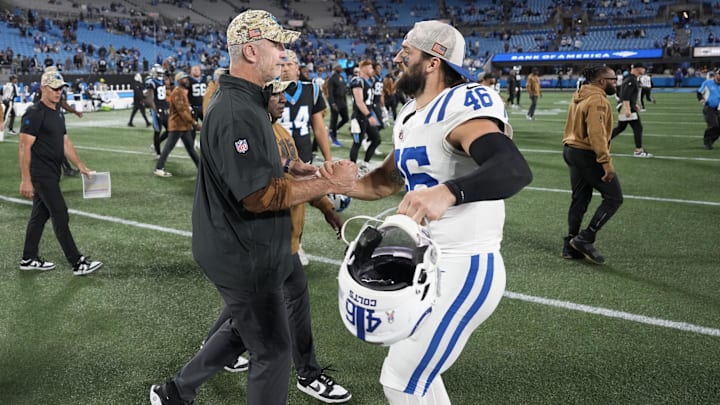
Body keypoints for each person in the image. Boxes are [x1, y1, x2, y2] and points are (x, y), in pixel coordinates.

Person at [149, 10, 358, 405]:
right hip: (243, 254)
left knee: (244, 330)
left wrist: (291, 166)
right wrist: (328, 182)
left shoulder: (248, 102)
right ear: (249, 50)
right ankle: (176, 390)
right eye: (277, 45)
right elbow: (258, 195)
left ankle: (176, 391)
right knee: (274, 350)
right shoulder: (236, 111)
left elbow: (251, 168)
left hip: (255, 248)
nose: (284, 54)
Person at [330, 20, 532, 404]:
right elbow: (384, 183)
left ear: (433, 61)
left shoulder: (463, 105)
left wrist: (449, 191)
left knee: (400, 378)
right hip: (427, 262)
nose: (395, 58)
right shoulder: (410, 113)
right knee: (416, 373)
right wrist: (330, 182)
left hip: (465, 263)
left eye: (406, 53)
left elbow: (512, 169)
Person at [204, 78, 352, 402]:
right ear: (261, 97)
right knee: (277, 313)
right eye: (277, 94)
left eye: (285, 92)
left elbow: (297, 182)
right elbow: (264, 192)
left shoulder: (282, 133)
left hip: (287, 242)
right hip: (268, 243)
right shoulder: (256, 134)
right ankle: (308, 374)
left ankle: (206, 358)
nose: (284, 99)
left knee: (247, 307)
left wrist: (326, 207)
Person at [18, 69, 103, 276]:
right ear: (44, 89)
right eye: (55, 89)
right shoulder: (34, 113)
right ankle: (77, 262)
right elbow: (23, 147)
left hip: (53, 172)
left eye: (61, 89)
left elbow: (65, 142)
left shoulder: (58, 112)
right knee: (59, 213)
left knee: (40, 214)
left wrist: (80, 165)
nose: (59, 92)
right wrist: (26, 180)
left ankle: (28, 258)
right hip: (40, 173)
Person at [562, 65, 623, 264]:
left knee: (580, 198)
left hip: (571, 149)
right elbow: (596, 134)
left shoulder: (580, 93)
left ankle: (570, 244)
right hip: (586, 153)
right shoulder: (597, 99)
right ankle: (585, 238)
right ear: (602, 81)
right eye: (613, 79)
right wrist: (606, 163)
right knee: (614, 197)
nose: (616, 82)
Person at [278, 49, 332, 164]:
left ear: (297, 68)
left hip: (304, 157)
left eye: (289, 64)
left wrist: (328, 160)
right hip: (278, 160)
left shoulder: (312, 90)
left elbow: (319, 129)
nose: (285, 68)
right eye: (281, 65)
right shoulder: (268, 90)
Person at [154, 71, 200, 177]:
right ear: (179, 81)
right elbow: (182, 111)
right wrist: (194, 123)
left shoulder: (181, 92)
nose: (187, 80)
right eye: (184, 78)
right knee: (168, 148)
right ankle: (159, 168)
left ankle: (201, 168)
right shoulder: (178, 92)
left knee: (190, 148)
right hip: (177, 126)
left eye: (187, 78)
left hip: (183, 126)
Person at [611, 63, 653, 158]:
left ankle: (600, 143)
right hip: (626, 106)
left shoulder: (631, 78)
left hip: (626, 105)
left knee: (620, 128)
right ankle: (638, 150)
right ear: (638, 68)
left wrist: (635, 104)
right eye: (643, 68)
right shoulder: (631, 79)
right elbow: (625, 95)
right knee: (638, 127)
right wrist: (628, 109)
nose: (644, 70)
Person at [349, 59, 381, 172]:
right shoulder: (358, 81)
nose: (372, 70)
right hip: (359, 117)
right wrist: (369, 115)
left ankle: (365, 164)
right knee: (357, 143)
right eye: (370, 67)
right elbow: (359, 101)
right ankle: (351, 169)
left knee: (376, 139)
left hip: (367, 115)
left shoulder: (369, 81)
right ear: (364, 68)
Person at [145, 64, 170, 158]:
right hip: (156, 109)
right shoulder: (151, 83)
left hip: (163, 108)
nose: (160, 75)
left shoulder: (162, 81)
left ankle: (156, 144)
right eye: (158, 73)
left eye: (161, 73)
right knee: (157, 130)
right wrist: (155, 111)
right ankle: (158, 153)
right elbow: (150, 100)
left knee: (170, 129)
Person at [326, 63, 348, 147]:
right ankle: (333, 138)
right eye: (339, 67)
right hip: (336, 101)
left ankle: (335, 129)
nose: (341, 68)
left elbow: (344, 90)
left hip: (342, 101)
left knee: (346, 118)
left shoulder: (341, 77)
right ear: (335, 68)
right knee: (334, 120)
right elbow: (330, 92)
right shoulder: (331, 78)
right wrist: (332, 103)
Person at [697, 70, 720, 149]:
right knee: (713, 125)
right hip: (708, 108)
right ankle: (706, 142)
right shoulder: (707, 83)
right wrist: (701, 99)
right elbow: (699, 92)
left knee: (718, 128)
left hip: (718, 109)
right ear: (715, 75)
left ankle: (710, 142)